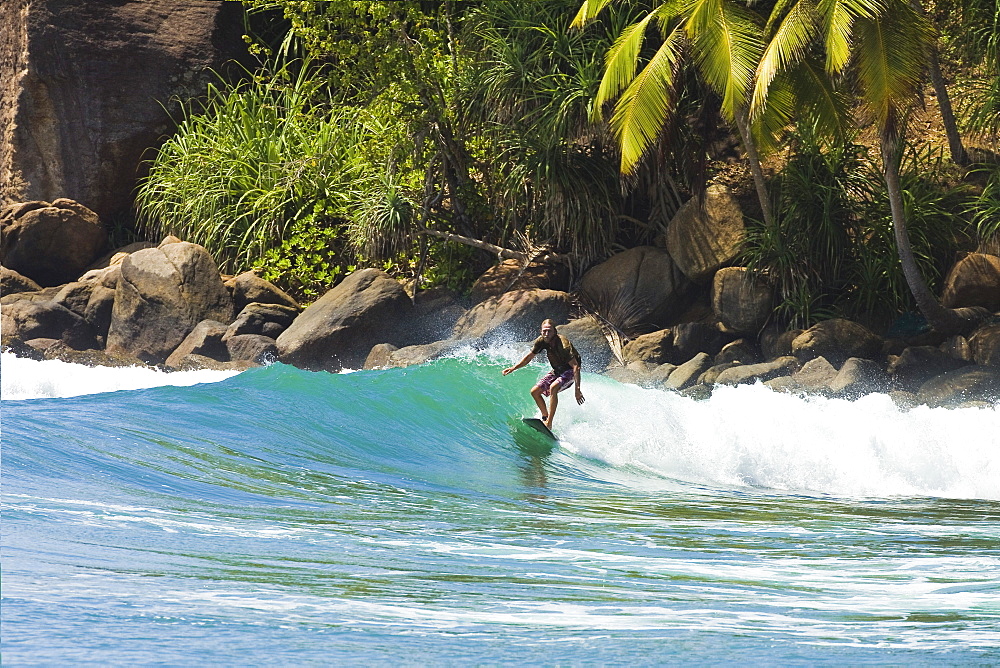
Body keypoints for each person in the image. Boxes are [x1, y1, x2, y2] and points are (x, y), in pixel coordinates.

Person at [503, 319, 585, 430]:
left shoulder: (563, 344)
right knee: (535, 391)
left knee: (553, 387)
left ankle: (549, 423)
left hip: (570, 371)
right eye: (544, 331)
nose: (546, 333)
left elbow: (576, 366)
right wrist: (514, 368)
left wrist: (577, 390)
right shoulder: (541, 341)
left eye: (549, 331)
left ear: (554, 331)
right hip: (557, 370)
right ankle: (545, 417)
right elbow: (529, 358)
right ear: (540, 331)